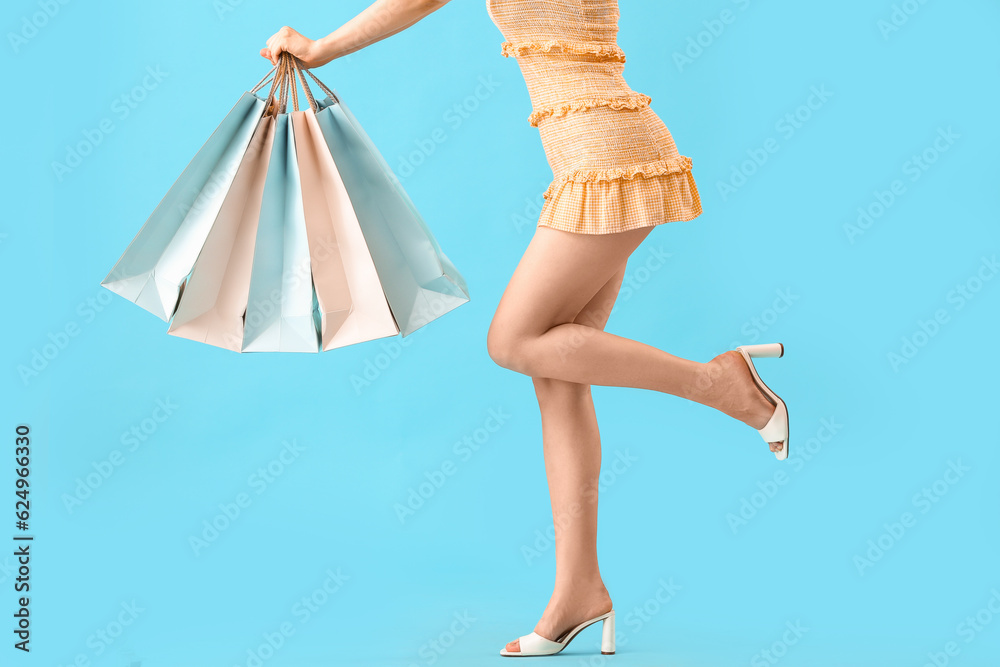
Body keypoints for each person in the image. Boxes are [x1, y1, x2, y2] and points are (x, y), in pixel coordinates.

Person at [262, 0, 789, 657]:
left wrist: (320, 47)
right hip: (598, 152)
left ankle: (722, 381)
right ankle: (579, 589)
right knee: (555, 371)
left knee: (512, 340)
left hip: (605, 155)